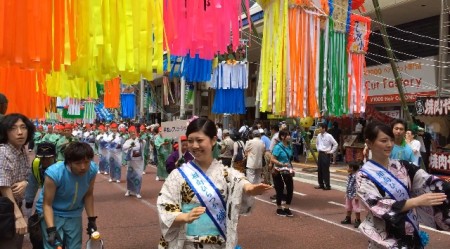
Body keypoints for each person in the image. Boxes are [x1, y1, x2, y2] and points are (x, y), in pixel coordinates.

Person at [156, 117, 272, 249]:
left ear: (213, 140)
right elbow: (165, 203)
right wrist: (184, 216)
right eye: (190, 141)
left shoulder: (225, 173)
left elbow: (239, 180)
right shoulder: (178, 175)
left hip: (218, 243)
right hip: (188, 243)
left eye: (199, 140)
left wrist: (250, 188)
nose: (194, 146)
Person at [356, 121, 450, 248]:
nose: (389, 145)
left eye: (391, 140)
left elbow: (429, 181)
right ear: (369, 143)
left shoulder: (403, 166)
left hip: (410, 230)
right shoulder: (363, 176)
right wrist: (416, 201)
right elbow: (377, 205)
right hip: (385, 237)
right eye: (383, 141)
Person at [35, 142, 98, 249]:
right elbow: (47, 204)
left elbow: (88, 194)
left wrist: (91, 220)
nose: (83, 167)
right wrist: (51, 230)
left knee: (75, 246)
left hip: (74, 212)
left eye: (86, 162)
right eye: (78, 163)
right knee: (54, 246)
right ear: (69, 162)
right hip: (52, 211)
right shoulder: (54, 173)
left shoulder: (92, 170)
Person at [0, 113, 35, 249]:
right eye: (13, 128)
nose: (20, 132)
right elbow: (3, 186)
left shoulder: (22, 152)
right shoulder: (3, 152)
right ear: (5, 132)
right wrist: (18, 216)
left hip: (13, 206)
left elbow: (26, 176)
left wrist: (25, 182)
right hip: (5, 209)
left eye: (23, 127)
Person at [270, 130, 295, 217]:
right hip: (278, 170)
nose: (289, 137)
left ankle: (287, 207)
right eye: (287, 135)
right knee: (279, 189)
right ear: (281, 137)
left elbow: (290, 158)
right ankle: (279, 208)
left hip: (287, 170)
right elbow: (272, 159)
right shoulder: (278, 147)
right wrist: (281, 163)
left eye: (289, 135)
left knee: (290, 188)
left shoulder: (289, 146)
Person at [315, 123, 338, 190]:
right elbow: (317, 144)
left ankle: (327, 185)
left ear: (324, 128)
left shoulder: (329, 136)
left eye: (320, 127)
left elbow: (335, 144)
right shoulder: (318, 135)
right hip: (320, 153)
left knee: (325, 170)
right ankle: (321, 184)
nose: (319, 129)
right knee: (319, 169)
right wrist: (318, 149)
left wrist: (330, 152)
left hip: (326, 154)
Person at [340, 162, 362, 228]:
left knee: (356, 207)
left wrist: (357, 195)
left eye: (348, 167)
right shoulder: (350, 175)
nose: (347, 168)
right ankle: (348, 218)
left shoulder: (357, 176)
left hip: (355, 195)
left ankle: (358, 220)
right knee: (348, 206)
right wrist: (346, 193)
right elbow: (348, 185)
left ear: (352, 168)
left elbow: (358, 186)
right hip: (349, 194)